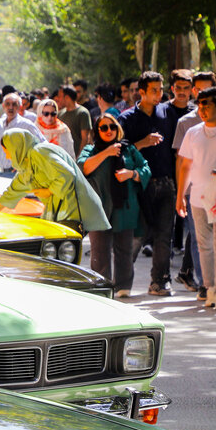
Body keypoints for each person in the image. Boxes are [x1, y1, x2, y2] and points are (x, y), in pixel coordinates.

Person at [176, 88, 216, 310]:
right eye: (199, 104)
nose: (201, 108)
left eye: (206, 104)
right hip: (197, 198)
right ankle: (210, 289)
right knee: (204, 246)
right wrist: (180, 196)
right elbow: (185, 166)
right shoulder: (193, 132)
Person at [118, 71, 178, 296]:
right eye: (154, 90)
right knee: (136, 235)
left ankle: (159, 281)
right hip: (139, 185)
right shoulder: (127, 119)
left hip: (166, 183)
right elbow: (120, 152)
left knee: (164, 235)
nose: (159, 95)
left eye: (161, 90)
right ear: (141, 92)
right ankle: (121, 282)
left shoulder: (166, 113)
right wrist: (142, 143)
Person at [78, 114, 151, 297]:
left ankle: (123, 287)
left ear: (117, 128)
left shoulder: (129, 149)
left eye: (112, 127)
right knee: (100, 251)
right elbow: (83, 167)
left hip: (125, 207)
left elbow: (145, 169)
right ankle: (102, 289)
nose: (109, 131)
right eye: (103, 128)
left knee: (124, 250)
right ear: (97, 131)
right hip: (99, 209)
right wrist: (107, 152)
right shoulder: (91, 149)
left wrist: (131, 174)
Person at [0, 130, 110, 239]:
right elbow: (10, 194)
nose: (7, 156)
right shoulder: (26, 167)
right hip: (62, 214)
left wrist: (48, 191)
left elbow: (67, 174)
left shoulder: (39, 152)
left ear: (16, 147)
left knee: (59, 253)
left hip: (73, 211)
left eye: (8, 151)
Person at [0, 92, 44, 177]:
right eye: (7, 104)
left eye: (14, 104)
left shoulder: (27, 125)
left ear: (19, 107)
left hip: (15, 174)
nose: (11, 107)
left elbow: (42, 144)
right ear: (3, 106)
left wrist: (27, 163)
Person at [57, 85, 92, 154]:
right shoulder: (60, 114)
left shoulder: (83, 113)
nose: (58, 99)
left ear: (67, 97)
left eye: (60, 96)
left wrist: (78, 158)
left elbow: (85, 139)